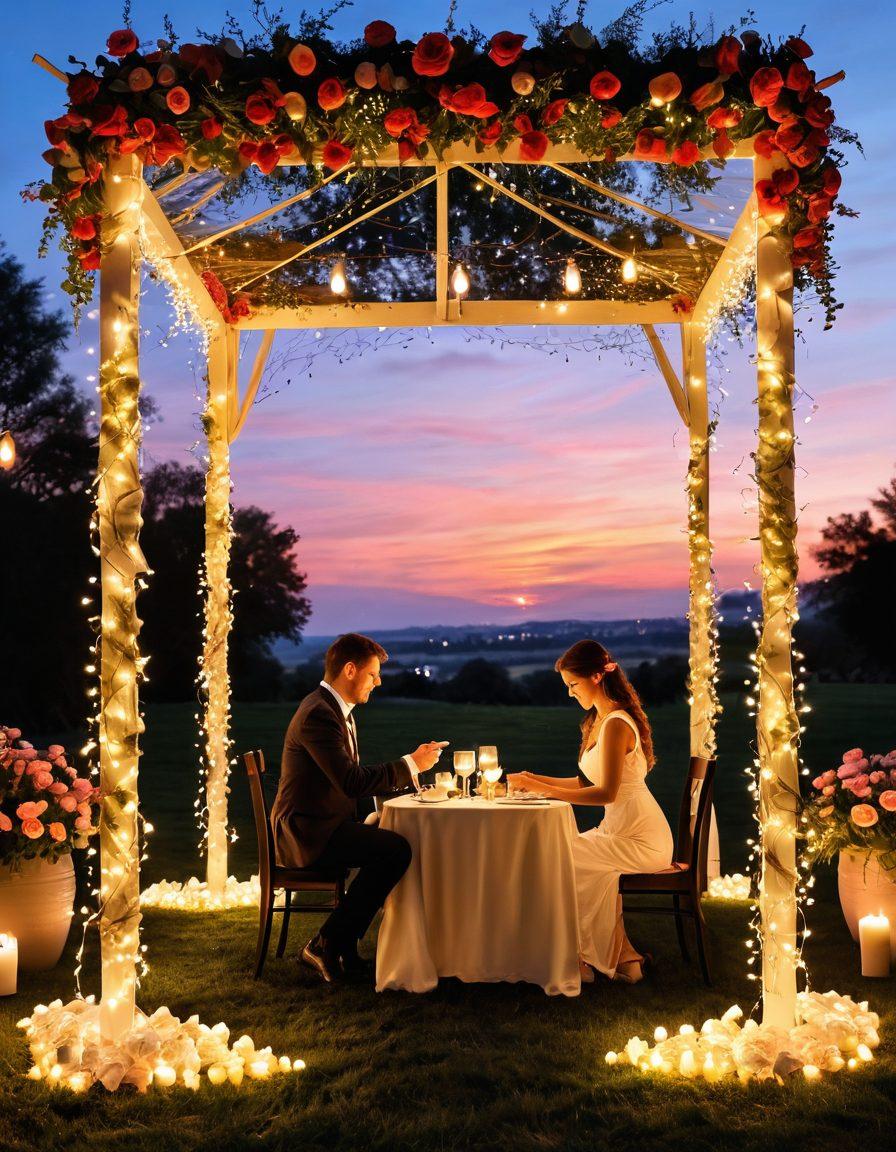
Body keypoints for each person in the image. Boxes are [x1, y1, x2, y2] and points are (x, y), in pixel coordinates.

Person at [271, 632, 447, 983]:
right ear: (349, 670)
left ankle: (343, 946)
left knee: (390, 839)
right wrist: (410, 763)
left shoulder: (335, 710)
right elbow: (350, 782)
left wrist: (404, 781)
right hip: (308, 833)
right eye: (373, 674)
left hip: (324, 824)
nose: (378, 682)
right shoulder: (318, 715)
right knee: (394, 851)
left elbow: (350, 780)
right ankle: (327, 943)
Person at [508, 639, 672, 984]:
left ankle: (579, 958)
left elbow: (606, 793)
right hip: (618, 830)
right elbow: (585, 782)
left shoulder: (615, 723)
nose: (569, 693)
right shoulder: (599, 720)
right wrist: (531, 778)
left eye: (573, 685)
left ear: (597, 676)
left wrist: (544, 790)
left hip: (641, 838)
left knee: (557, 856)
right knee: (564, 857)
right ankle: (624, 958)